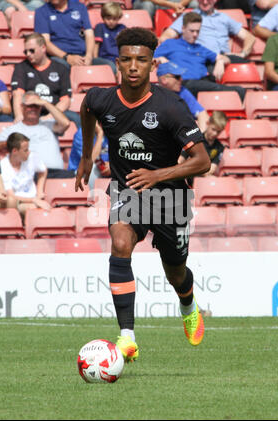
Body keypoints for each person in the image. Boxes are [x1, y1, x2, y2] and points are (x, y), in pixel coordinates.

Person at [75, 27, 211, 362]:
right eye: (126, 60)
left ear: (153, 65)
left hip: (170, 198)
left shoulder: (171, 107)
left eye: (142, 60)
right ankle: (127, 338)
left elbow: (203, 161)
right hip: (128, 190)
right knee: (120, 242)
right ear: (117, 64)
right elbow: (87, 111)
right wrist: (86, 155)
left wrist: (157, 174)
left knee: (175, 271)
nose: (133, 66)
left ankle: (188, 303)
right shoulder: (100, 98)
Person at [155, 12, 247, 100]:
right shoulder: (170, 44)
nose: (195, 34)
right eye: (192, 31)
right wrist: (161, 58)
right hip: (183, 84)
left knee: (238, 89)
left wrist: (220, 61)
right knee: (237, 91)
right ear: (183, 28)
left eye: (197, 31)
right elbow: (151, 57)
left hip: (203, 83)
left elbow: (225, 58)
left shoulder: (201, 48)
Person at [0, 91, 75, 178]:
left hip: (57, 173)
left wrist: (45, 103)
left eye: (37, 106)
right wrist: (10, 143)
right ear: (22, 107)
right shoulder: (13, 129)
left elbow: (66, 123)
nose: (33, 109)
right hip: (29, 175)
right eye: (30, 106)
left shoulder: (50, 124)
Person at [11, 32, 80, 128]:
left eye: (31, 51)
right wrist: (19, 116)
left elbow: (65, 100)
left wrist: (49, 116)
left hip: (53, 111)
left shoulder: (60, 68)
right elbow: (17, 94)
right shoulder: (21, 67)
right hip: (30, 112)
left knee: (76, 118)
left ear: (43, 48)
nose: (28, 54)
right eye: (25, 52)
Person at [159, 0, 255, 64]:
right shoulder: (190, 16)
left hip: (225, 58)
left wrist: (243, 54)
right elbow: (165, 37)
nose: (205, 2)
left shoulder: (224, 18)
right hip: (202, 57)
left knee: (248, 67)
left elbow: (249, 37)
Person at [0, 132, 51, 217]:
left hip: (34, 199)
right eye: (25, 150)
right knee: (34, 209)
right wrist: (34, 200)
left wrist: (39, 191)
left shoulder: (32, 157)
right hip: (16, 202)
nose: (29, 152)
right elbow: (10, 195)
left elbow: (43, 170)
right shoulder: (3, 165)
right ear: (15, 151)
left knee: (41, 209)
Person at [34, 0, 94, 70]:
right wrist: (67, 57)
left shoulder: (80, 7)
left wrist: (89, 56)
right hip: (59, 57)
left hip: (82, 55)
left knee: (107, 65)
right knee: (62, 67)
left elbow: (89, 34)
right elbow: (45, 42)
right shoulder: (41, 11)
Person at [157, 61, 210, 132]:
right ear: (164, 80)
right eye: (177, 77)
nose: (181, 79)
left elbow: (202, 114)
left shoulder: (182, 91)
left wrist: (201, 137)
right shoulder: (152, 93)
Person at [179, 110, 227, 186]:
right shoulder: (194, 140)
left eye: (218, 132)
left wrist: (195, 168)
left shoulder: (219, 147)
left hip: (203, 180)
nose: (215, 134)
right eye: (213, 129)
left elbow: (211, 170)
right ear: (208, 124)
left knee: (215, 181)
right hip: (187, 177)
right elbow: (180, 160)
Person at [68, 123, 110, 188]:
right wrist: (100, 133)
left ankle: (114, 197)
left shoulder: (113, 132)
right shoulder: (83, 132)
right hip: (80, 173)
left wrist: (111, 167)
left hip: (105, 172)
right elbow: (90, 160)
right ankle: (94, 197)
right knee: (92, 169)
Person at [92, 2, 126, 76]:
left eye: (114, 19)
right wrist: (95, 60)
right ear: (103, 17)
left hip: (119, 59)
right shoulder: (100, 27)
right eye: (108, 18)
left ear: (119, 18)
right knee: (112, 66)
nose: (111, 21)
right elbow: (96, 46)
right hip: (105, 59)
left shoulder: (122, 28)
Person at [133, 0, 198, 21]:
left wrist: (180, 5)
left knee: (195, 4)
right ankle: (146, 35)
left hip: (179, 3)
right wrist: (171, 5)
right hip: (155, 3)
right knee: (147, 5)